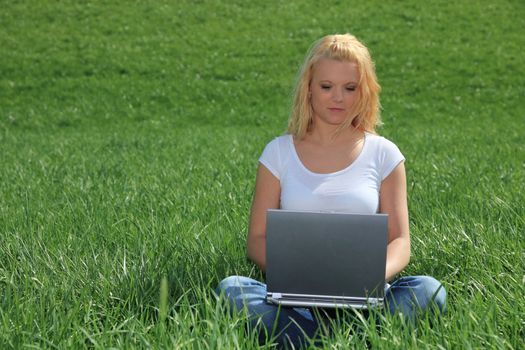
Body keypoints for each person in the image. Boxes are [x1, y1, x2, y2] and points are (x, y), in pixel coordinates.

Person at [215, 33, 446, 348]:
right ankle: (349, 340)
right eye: (326, 87)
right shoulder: (278, 152)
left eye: (349, 88)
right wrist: (299, 273)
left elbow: (400, 241)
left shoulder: (385, 154)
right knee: (231, 289)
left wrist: (369, 279)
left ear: (363, 92)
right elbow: (256, 239)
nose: (337, 97)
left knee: (428, 290)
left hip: (368, 297)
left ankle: (321, 340)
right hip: (294, 298)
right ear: (308, 88)